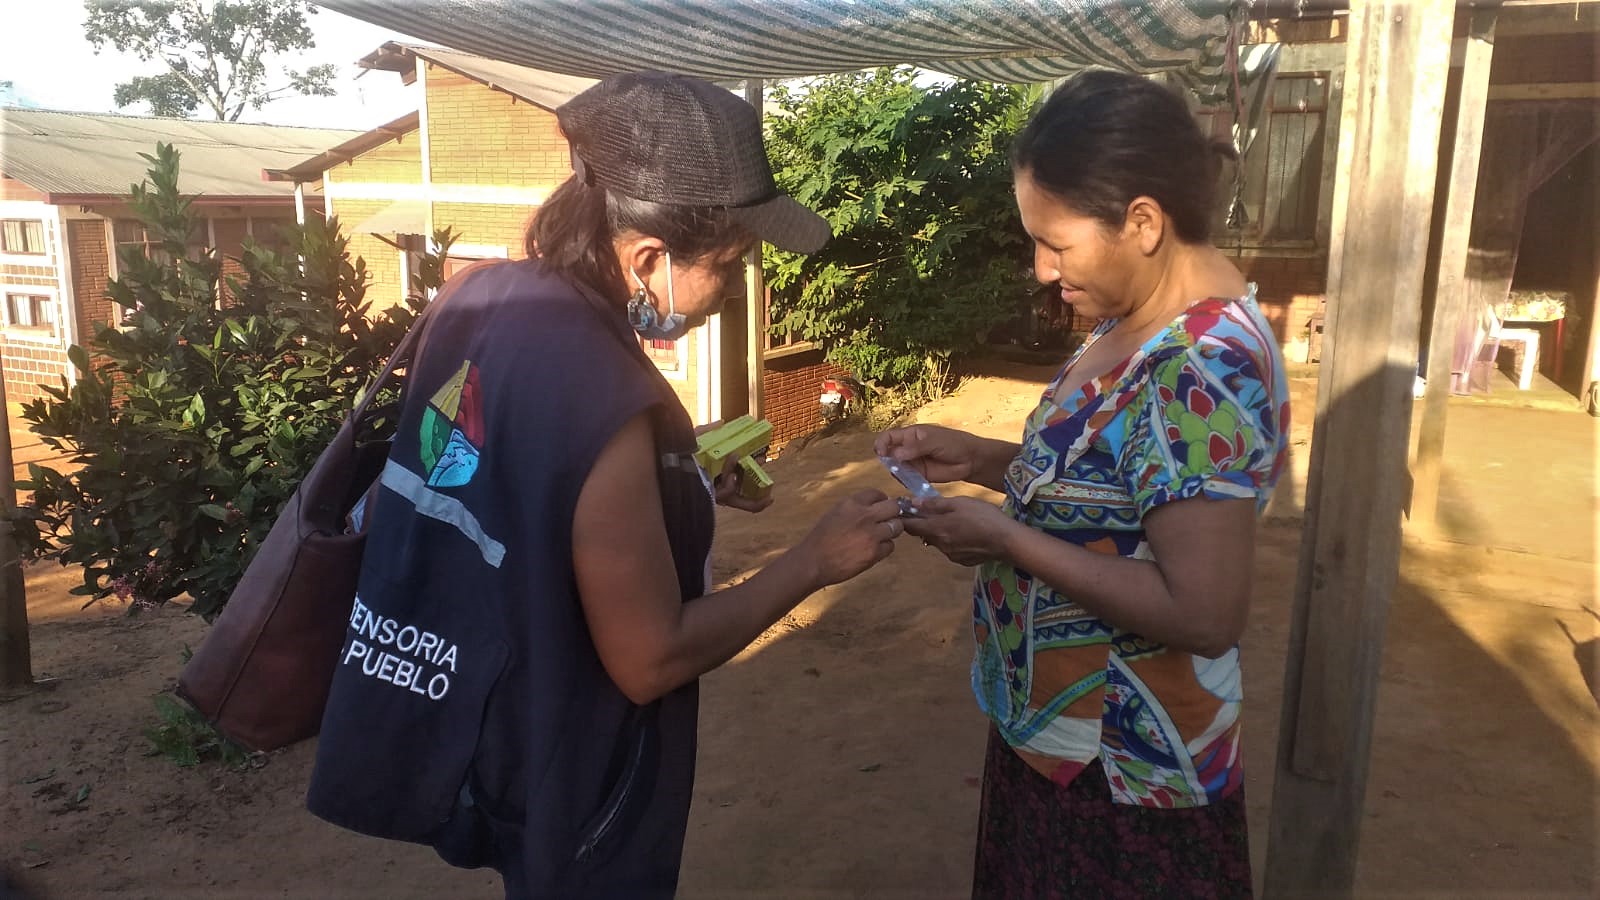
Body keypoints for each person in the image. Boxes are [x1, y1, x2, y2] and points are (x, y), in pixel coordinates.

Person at [307, 72, 906, 898]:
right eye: (730, 264)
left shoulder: (482, 299)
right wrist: (813, 561)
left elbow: (510, 477)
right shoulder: (609, 392)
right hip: (569, 765)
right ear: (648, 258)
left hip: (470, 715)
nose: (732, 289)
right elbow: (650, 659)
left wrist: (676, 479)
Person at [877, 70, 1290, 899]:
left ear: (1142, 221)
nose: (1039, 269)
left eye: (1056, 243)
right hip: (1063, 742)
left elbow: (1203, 614)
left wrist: (1005, 538)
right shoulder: (1131, 321)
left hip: (1127, 780)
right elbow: (1120, 483)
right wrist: (984, 457)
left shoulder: (1201, 366)